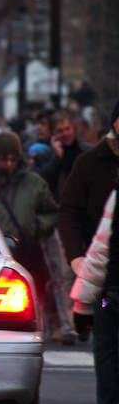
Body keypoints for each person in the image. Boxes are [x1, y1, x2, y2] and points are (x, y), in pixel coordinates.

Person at [0, 132, 59, 339]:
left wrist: (36, 227)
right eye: (4, 159)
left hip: (28, 251)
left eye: (13, 158)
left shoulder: (34, 183)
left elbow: (52, 212)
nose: (8, 164)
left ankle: (34, 332)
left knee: (33, 297)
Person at [60, 100, 119, 341]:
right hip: (104, 276)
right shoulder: (89, 163)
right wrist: (76, 257)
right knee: (108, 351)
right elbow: (69, 212)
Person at [70, 188, 119, 404]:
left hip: (112, 291)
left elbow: (101, 249)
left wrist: (81, 304)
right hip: (111, 292)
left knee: (107, 349)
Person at [41, 112, 90, 201]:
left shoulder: (87, 152)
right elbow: (45, 183)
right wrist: (57, 157)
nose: (65, 133)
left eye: (68, 129)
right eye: (60, 131)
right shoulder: (46, 154)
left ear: (74, 129)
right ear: (53, 134)